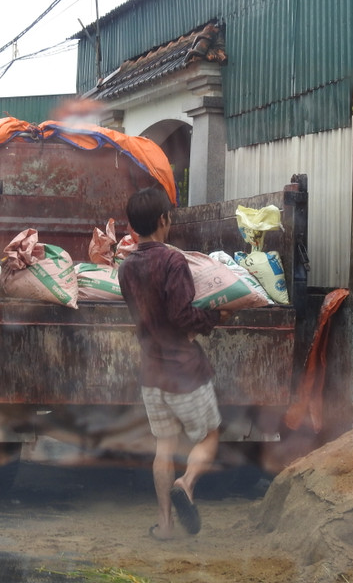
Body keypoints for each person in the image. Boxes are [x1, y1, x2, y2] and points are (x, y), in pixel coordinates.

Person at [118, 186, 229, 540]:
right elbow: (182, 315)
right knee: (209, 436)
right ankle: (188, 481)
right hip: (184, 370)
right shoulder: (172, 260)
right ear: (164, 219)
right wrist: (216, 316)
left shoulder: (125, 268)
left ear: (134, 226)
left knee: (164, 446)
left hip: (151, 373)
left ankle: (165, 526)